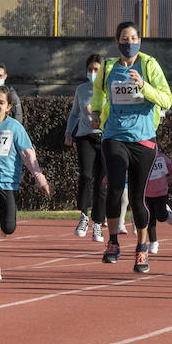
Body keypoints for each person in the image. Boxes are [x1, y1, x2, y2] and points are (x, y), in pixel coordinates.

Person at [90, 20, 172, 274]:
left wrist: (144, 86)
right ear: (117, 42)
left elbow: (167, 99)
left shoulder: (149, 65)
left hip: (144, 139)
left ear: (140, 41)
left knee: (138, 198)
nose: (129, 43)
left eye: (134, 38)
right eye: (124, 39)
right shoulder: (108, 67)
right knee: (115, 187)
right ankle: (113, 242)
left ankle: (142, 247)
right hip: (114, 135)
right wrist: (95, 111)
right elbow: (98, 92)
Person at [0, 85, 50, 281]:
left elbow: (28, 155)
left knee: (9, 227)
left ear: (8, 107)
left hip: (8, 183)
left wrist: (40, 180)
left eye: (0, 102)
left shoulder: (15, 127)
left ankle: (3, 218)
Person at [64, 52, 107, 242]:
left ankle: (98, 223)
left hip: (105, 139)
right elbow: (74, 114)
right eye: (90, 69)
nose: (92, 73)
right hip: (84, 138)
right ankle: (83, 216)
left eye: (96, 70)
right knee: (86, 175)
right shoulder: (81, 90)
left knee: (101, 182)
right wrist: (68, 131)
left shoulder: (108, 89)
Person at [142, 147, 172, 256]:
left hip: (161, 193)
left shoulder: (161, 158)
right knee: (149, 218)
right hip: (146, 194)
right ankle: (153, 242)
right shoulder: (141, 158)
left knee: (161, 217)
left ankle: (167, 212)